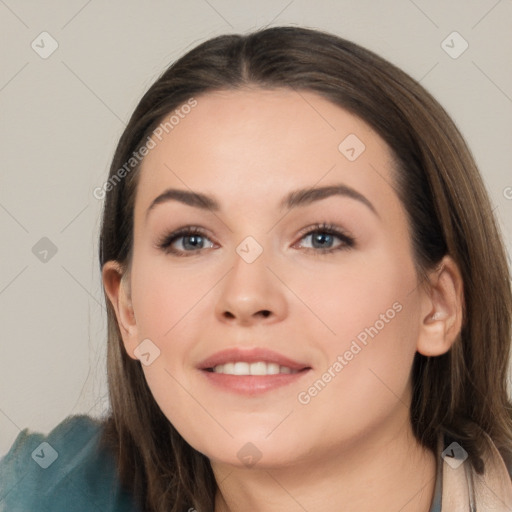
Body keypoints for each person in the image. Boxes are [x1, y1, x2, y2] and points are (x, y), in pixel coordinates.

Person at [1, 25, 511, 512]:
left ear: (437, 306)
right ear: (127, 309)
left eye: (321, 237)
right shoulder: (47, 494)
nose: (245, 296)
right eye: (191, 240)